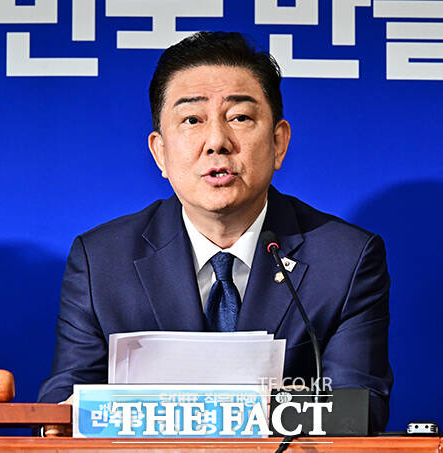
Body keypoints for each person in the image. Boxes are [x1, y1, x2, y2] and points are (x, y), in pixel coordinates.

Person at [38, 31, 393, 431]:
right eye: (192, 120)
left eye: (239, 117)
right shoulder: (102, 261)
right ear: (160, 152)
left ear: (278, 143)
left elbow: (359, 409)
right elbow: (60, 410)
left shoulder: (345, 260)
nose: (217, 142)